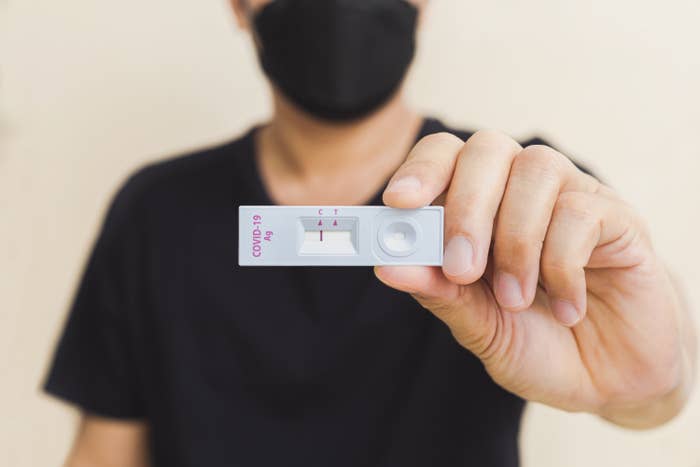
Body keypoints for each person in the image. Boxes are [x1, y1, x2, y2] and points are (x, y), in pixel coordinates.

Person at [44, 0, 696, 466]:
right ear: (238, 5)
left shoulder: (523, 198)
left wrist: (652, 373)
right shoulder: (156, 212)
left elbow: (649, 390)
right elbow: (104, 453)